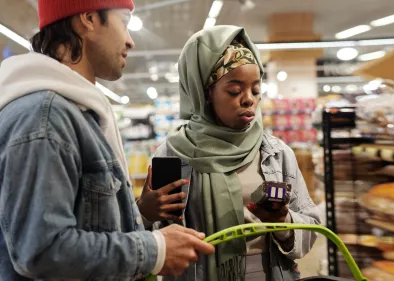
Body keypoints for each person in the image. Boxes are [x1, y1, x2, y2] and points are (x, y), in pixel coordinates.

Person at [0, 0, 214, 280]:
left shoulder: (76, 112)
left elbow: (82, 223)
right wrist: (155, 250)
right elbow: (41, 251)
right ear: (88, 18)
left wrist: (137, 214)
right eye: (124, 22)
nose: (130, 41)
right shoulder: (47, 117)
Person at [140, 25, 321, 281]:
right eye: (234, 91)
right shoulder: (172, 154)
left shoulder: (276, 153)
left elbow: (311, 227)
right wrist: (145, 214)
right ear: (205, 92)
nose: (248, 99)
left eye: (256, 90)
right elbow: (153, 243)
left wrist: (284, 220)